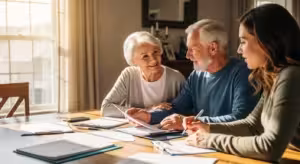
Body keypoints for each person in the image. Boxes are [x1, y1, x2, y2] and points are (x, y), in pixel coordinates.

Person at [184, 4, 300, 162]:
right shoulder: (275, 76)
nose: (239, 50)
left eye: (243, 42)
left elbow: (269, 147)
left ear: (265, 42)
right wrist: (207, 127)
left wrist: (209, 140)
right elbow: (252, 125)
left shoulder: (292, 76)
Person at [126, 19, 260, 130]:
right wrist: (148, 116)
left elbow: (240, 118)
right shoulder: (196, 75)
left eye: (193, 50)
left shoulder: (244, 73)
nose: (187, 56)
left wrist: (189, 122)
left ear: (213, 48)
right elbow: (178, 108)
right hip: (200, 143)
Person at [101, 31, 185, 117]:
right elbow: (106, 108)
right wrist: (147, 110)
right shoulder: (129, 75)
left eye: (155, 52)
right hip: (134, 128)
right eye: (145, 56)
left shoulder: (176, 78)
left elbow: (186, 110)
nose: (154, 60)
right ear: (133, 60)